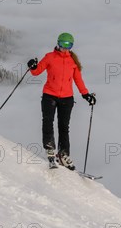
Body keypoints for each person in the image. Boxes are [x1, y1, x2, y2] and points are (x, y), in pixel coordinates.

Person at [27, 32, 96, 170]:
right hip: (49, 95)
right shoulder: (49, 57)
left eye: (68, 45)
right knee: (48, 121)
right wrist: (32, 66)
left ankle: (63, 154)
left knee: (64, 127)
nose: (65, 48)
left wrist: (86, 95)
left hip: (67, 98)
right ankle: (49, 148)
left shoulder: (73, 62)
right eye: (62, 45)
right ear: (58, 44)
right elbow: (37, 71)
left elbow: (78, 80)